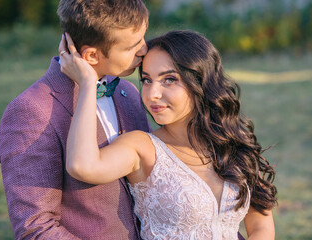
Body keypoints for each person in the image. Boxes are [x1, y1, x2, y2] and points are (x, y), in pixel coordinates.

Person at [59, 30, 278, 239]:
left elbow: (260, 224)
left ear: (201, 81)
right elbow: (82, 166)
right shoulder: (142, 148)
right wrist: (88, 84)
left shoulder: (230, 142)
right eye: (147, 80)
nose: (152, 94)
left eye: (169, 79)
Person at [0, 0, 151, 239]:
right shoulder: (32, 111)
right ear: (91, 55)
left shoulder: (127, 92)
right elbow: (36, 228)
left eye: (144, 38)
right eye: (133, 46)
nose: (144, 49)